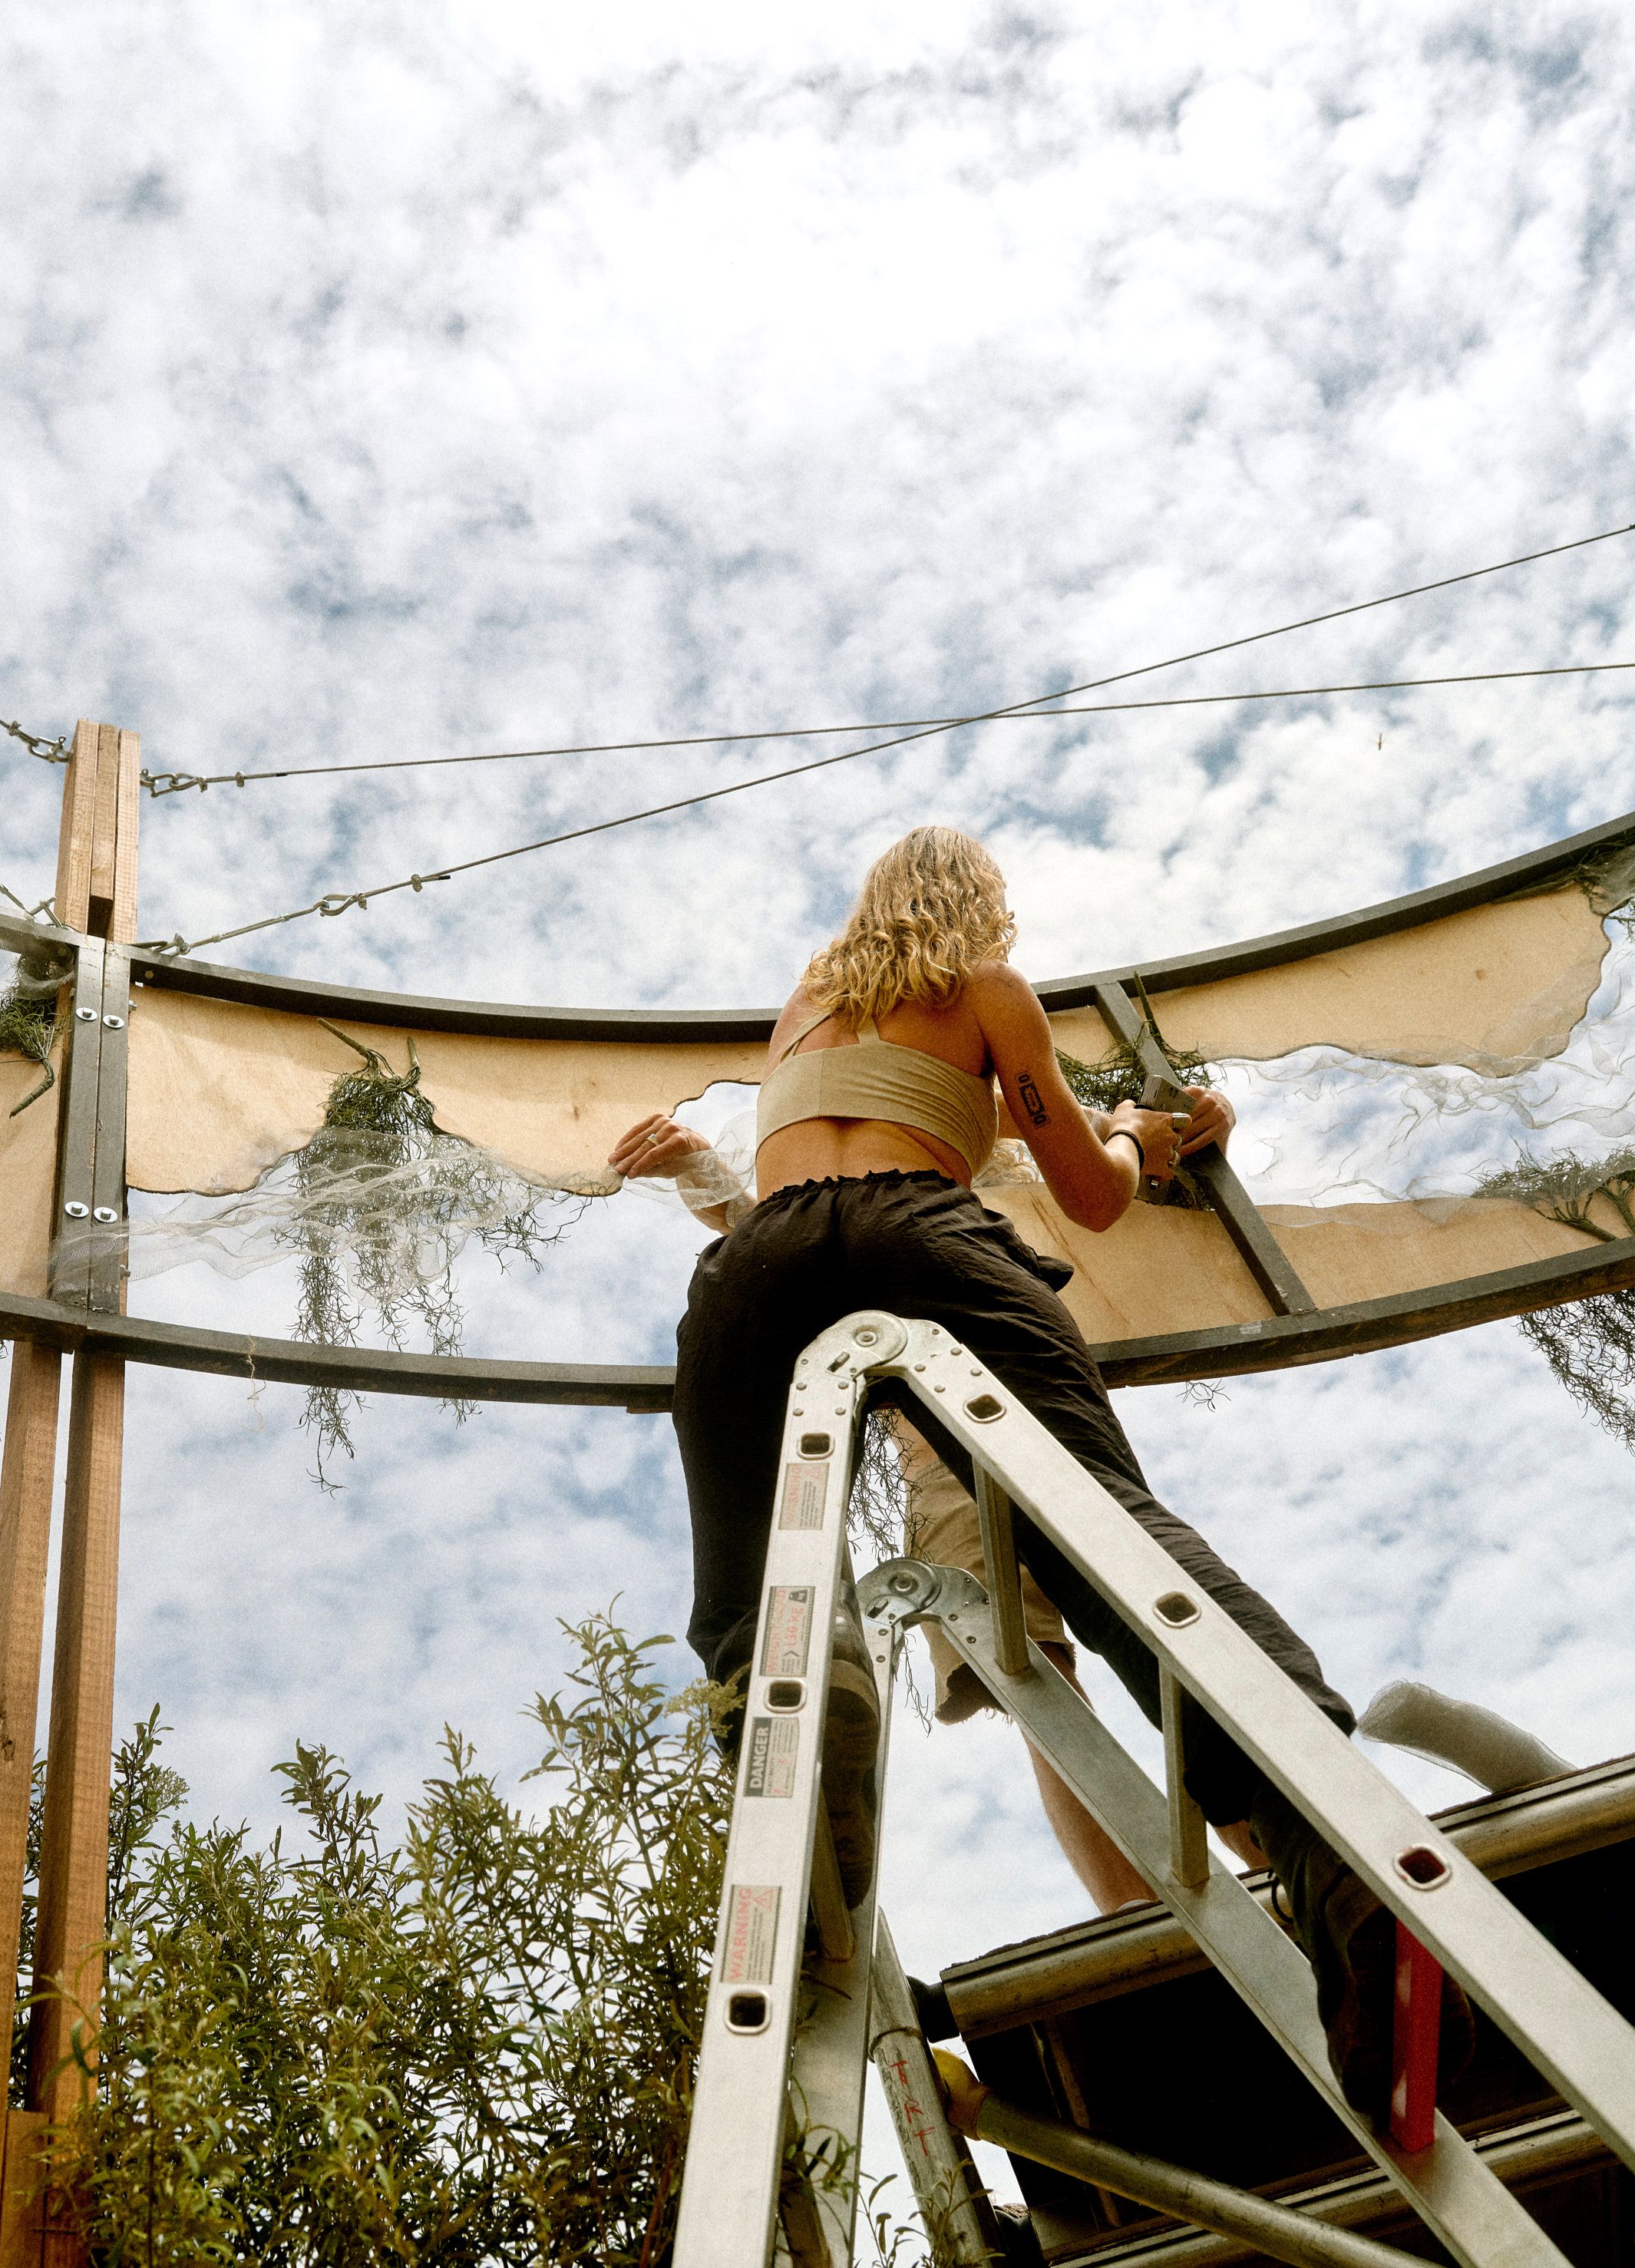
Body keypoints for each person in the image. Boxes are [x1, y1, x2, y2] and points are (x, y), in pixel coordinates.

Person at [608, 823, 1467, 2117]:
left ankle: (803, 1720)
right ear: (981, 908)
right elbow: (1093, 1196)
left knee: (747, 1575)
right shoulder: (990, 994)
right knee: (1101, 1527)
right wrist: (1129, 1133)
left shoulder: (802, 1010)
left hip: (756, 1271)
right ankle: (1321, 1841)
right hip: (921, 1233)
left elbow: (809, 1182)